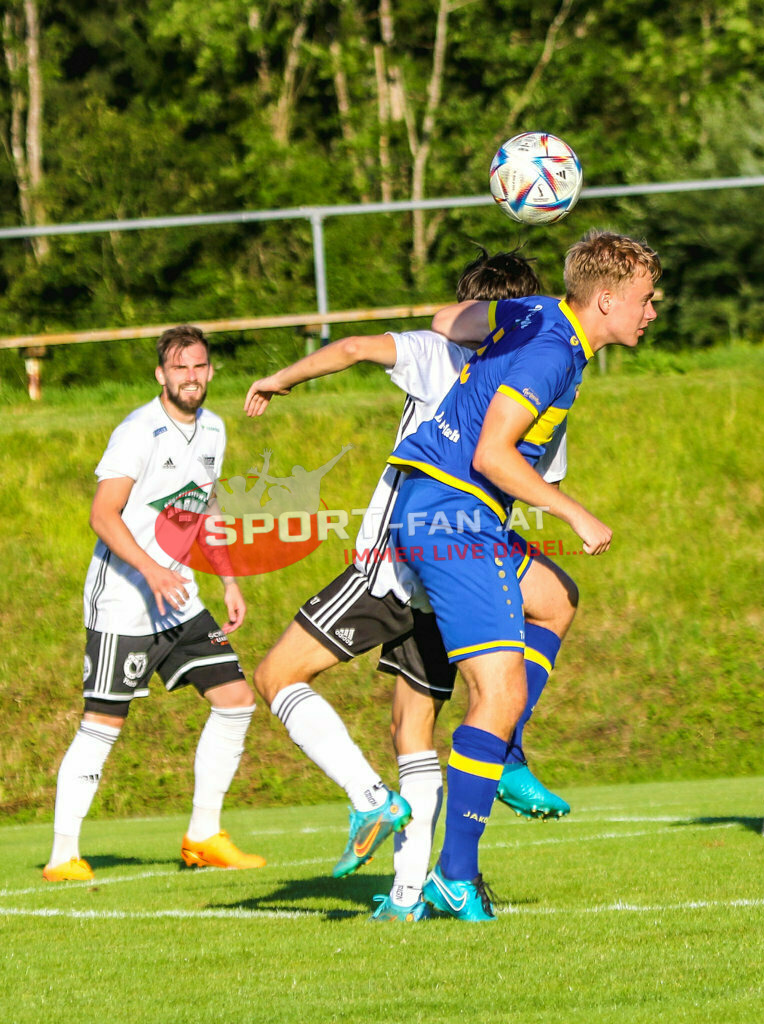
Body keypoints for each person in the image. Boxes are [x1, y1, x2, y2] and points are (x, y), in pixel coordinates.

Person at [244, 248, 578, 918]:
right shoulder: (543, 382)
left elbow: (357, 346)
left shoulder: (440, 353)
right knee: (414, 725)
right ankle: (405, 896)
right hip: (461, 575)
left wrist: (282, 377)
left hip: (394, 559)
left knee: (276, 676)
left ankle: (371, 801)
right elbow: (544, 486)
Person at [387, 228, 661, 920]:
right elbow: (493, 454)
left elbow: (444, 320)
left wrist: (491, 340)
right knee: (498, 693)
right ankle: (455, 874)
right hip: (455, 517)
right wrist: (576, 514)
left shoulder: (539, 313)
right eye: (643, 300)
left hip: (444, 507)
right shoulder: (550, 354)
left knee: (556, 601)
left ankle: (501, 753)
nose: (651, 311)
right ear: (604, 302)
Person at [43, 325, 266, 881]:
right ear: (161, 375)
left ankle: (203, 837)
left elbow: (206, 509)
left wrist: (229, 580)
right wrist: (150, 569)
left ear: (210, 371)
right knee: (103, 721)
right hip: (124, 598)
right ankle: (61, 855)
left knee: (236, 700)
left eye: (199, 366)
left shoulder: (213, 429)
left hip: (181, 599)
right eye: (179, 368)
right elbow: (102, 515)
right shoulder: (138, 432)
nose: (190, 377)